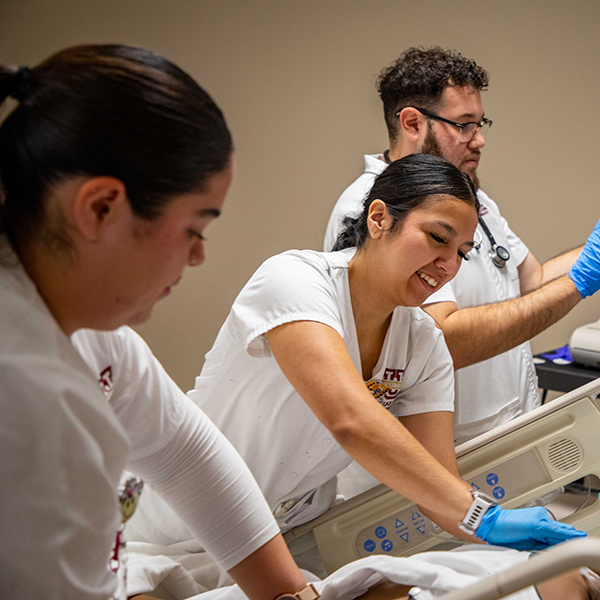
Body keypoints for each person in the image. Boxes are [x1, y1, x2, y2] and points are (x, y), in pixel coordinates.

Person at [0, 44, 308, 600]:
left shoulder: (98, 337)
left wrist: (294, 595)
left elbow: (185, 453)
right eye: (194, 227)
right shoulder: (22, 391)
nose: (198, 257)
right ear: (100, 208)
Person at [183, 154, 586, 572]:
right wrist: (485, 518)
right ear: (378, 219)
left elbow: (439, 494)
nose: (448, 265)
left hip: (285, 536)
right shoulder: (294, 281)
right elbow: (350, 419)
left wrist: (529, 537)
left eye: (462, 253)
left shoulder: (423, 344)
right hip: (183, 526)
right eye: (437, 237)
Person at [323, 47, 600, 446]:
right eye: (465, 125)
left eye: (480, 122)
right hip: (433, 451)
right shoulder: (371, 209)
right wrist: (581, 280)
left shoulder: (471, 199)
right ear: (413, 122)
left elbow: (532, 281)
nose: (480, 140)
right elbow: (441, 338)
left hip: (503, 436)